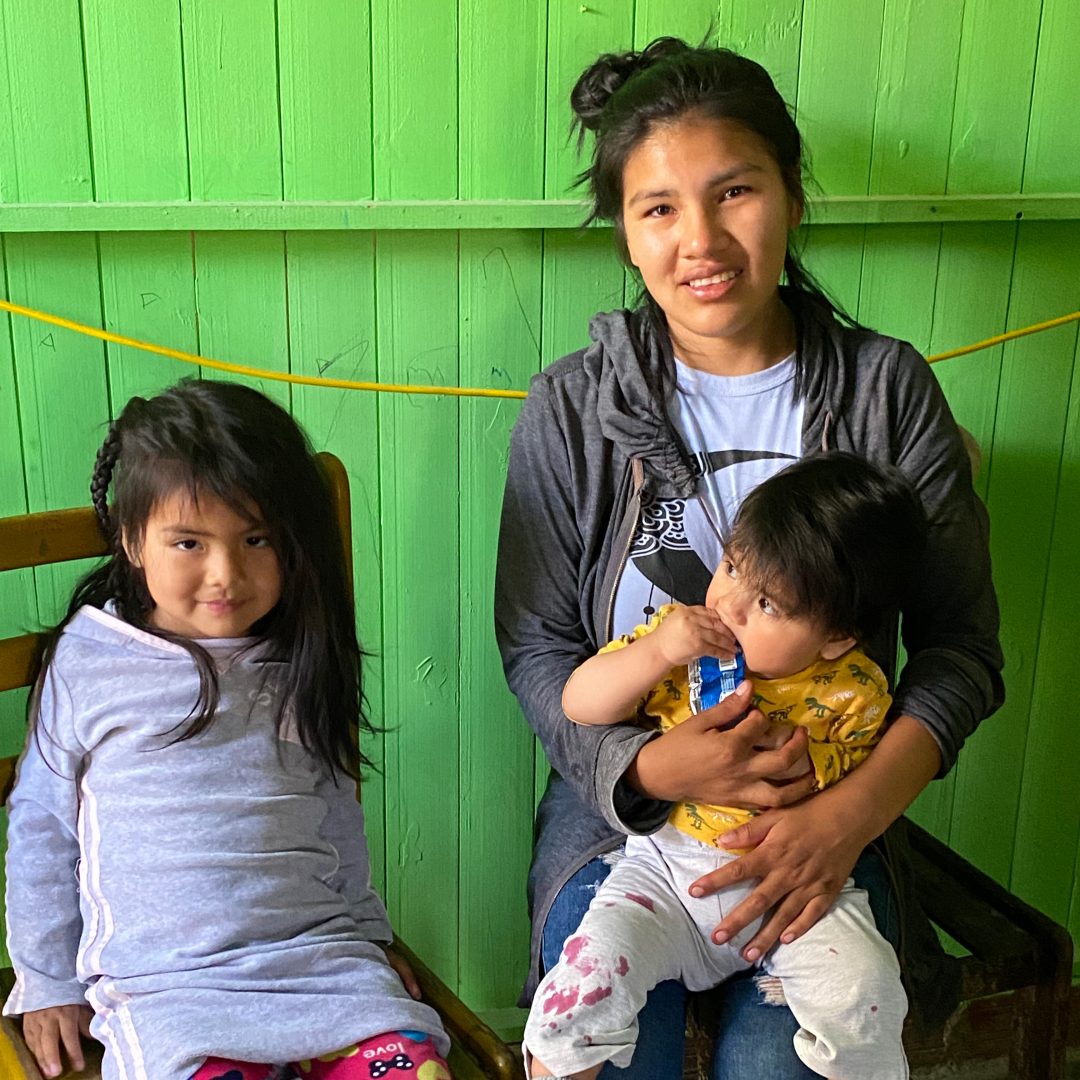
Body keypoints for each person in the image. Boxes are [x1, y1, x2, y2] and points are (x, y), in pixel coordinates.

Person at [494, 36, 1004, 1079]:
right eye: (659, 208)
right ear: (627, 235)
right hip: (620, 817)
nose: (702, 240)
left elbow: (962, 651)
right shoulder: (572, 408)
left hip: (825, 821)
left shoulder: (886, 392)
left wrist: (847, 817)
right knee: (602, 1046)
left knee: (791, 1060)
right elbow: (538, 650)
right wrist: (644, 768)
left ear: (792, 196)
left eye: (735, 191)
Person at [3, 379, 453, 1080]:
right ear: (132, 540)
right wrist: (47, 979)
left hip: (322, 964)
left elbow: (335, 812)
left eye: (256, 539)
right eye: (188, 542)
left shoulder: (300, 658)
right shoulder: (91, 662)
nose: (226, 574)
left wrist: (369, 934)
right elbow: (41, 828)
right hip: (168, 985)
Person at [523, 453, 927, 1079]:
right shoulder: (684, 644)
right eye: (732, 566)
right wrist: (658, 652)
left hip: (793, 889)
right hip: (665, 877)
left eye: (767, 603)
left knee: (866, 989)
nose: (730, 605)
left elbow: (855, 766)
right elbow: (579, 702)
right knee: (585, 984)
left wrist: (815, 769)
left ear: (837, 637)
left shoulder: (857, 689)